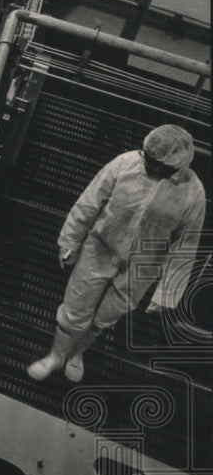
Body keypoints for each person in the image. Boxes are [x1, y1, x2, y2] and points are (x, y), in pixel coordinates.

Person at [27, 124, 206, 382]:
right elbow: (90, 201)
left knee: (105, 317)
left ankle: (77, 354)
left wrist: (167, 292)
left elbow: (185, 246)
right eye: (148, 158)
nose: (150, 166)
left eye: (158, 164)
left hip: (141, 267)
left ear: (178, 165)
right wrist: (70, 240)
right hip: (100, 248)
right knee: (75, 308)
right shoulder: (126, 163)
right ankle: (55, 356)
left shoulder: (193, 193)